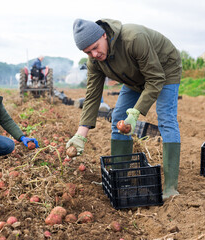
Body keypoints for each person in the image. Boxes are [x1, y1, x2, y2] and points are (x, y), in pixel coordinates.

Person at [66, 19, 182, 199]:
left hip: (164, 70)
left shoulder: (134, 39)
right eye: (88, 52)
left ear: (103, 35)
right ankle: (120, 179)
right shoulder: (95, 61)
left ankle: (171, 187)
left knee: (166, 118)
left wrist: (135, 113)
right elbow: (92, 97)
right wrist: (80, 135)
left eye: (96, 47)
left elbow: (155, 79)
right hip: (135, 77)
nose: (94, 54)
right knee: (119, 117)